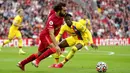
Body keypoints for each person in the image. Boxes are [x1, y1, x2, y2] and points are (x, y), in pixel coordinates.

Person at [17, 2, 67, 71]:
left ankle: (22, 63)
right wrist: (57, 45)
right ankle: (37, 61)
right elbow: (51, 34)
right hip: (46, 36)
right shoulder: (52, 20)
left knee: (38, 54)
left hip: (49, 37)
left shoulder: (60, 15)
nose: (65, 12)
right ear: (59, 10)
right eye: (64, 10)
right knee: (55, 48)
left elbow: (54, 8)